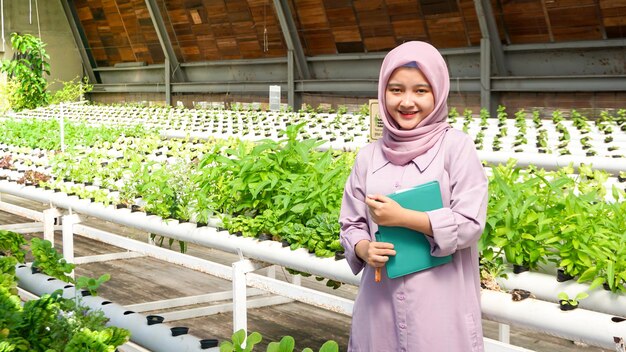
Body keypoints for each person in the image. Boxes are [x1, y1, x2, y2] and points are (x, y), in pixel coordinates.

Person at [339, 41, 488, 351]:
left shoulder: (456, 148)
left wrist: (405, 219)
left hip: (440, 309)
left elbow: (471, 223)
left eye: (421, 90)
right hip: (378, 307)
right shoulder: (368, 157)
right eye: (396, 90)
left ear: (438, 92)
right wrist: (364, 249)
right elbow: (351, 223)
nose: (407, 102)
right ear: (382, 93)